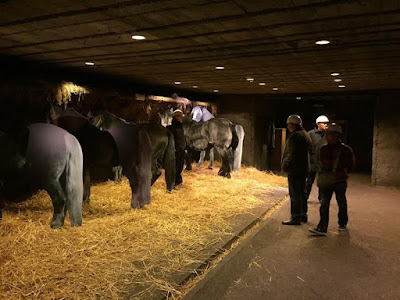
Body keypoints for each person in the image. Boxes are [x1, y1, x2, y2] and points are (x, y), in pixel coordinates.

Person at [309, 123, 356, 236]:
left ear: (337, 136)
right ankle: (323, 227)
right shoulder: (325, 149)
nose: (329, 137)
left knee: (340, 202)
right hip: (333, 179)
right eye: (329, 134)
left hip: (339, 180)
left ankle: (341, 224)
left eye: (332, 134)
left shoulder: (344, 150)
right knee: (325, 203)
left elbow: (351, 165)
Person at [281, 115, 312, 225]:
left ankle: (295, 217)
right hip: (303, 168)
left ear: (292, 125)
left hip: (295, 169)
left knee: (294, 194)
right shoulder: (306, 134)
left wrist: (285, 166)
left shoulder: (295, 136)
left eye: (289, 124)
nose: (288, 126)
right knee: (302, 192)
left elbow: (291, 154)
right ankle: (303, 215)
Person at [305, 115, 329, 202]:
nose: (326, 125)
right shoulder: (310, 134)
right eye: (324, 123)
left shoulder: (328, 135)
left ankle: (321, 198)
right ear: (318, 124)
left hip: (323, 162)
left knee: (322, 182)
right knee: (308, 182)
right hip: (312, 162)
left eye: (327, 123)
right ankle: (305, 197)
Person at [167, 109, 186, 186]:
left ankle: (178, 179)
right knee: (175, 165)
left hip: (181, 148)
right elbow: (172, 138)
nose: (182, 117)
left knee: (180, 165)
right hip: (176, 149)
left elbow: (182, 137)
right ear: (176, 117)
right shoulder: (172, 127)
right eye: (180, 116)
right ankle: (173, 181)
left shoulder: (180, 126)